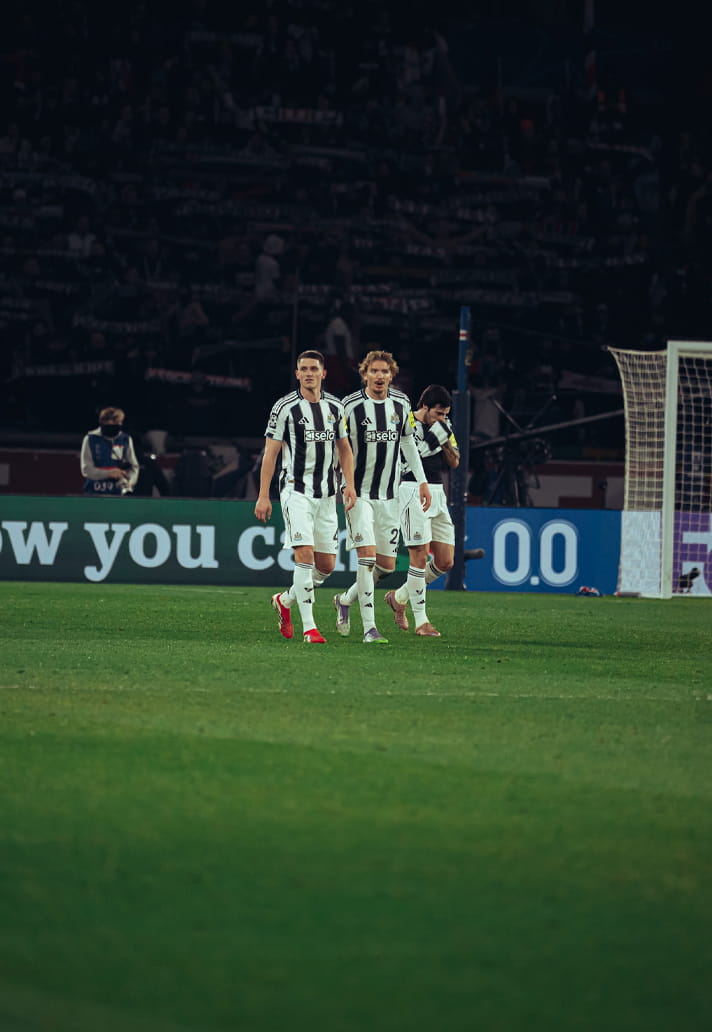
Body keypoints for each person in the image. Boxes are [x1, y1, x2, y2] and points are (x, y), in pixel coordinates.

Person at [254, 350, 357, 644]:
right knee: (304, 555)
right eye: (304, 369)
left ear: (323, 373)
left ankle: (285, 600)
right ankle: (310, 628)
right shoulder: (284, 407)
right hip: (296, 491)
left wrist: (349, 485)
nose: (309, 373)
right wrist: (263, 495)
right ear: (297, 374)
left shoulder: (336, 407)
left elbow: (345, 450)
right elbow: (270, 454)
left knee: (326, 566)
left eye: (314, 368)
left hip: (327, 495)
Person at [333, 350, 431, 644]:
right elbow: (340, 448)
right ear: (364, 374)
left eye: (384, 372)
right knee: (366, 558)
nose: (379, 376)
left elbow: (408, 443)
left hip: (390, 496)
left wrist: (422, 481)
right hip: (358, 493)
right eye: (374, 371)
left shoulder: (401, 403)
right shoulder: (350, 406)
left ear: (392, 375)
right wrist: (345, 484)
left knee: (386, 566)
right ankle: (370, 628)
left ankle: (344, 601)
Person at [384, 384, 460, 637]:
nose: (442, 418)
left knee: (445, 561)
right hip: (411, 489)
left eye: (445, 414)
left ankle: (399, 596)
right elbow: (407, 458)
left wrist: (444, 439)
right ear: (424, 407)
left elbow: (455, 461)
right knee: (418, 556)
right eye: (438, 413)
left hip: (437, 492)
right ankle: (421, 621)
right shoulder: (405, 423)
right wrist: (433, 438)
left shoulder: (444, 427)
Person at [80, 406, 139, 496]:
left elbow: (134, 466)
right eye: (109, 425)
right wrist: (108, 474)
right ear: (102, 422)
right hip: (93, 492)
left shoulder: (125, 439)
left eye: (116, 424)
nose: (113, 427)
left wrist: (129, 482)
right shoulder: (90, 439)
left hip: (118, 493)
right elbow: (86, 469)